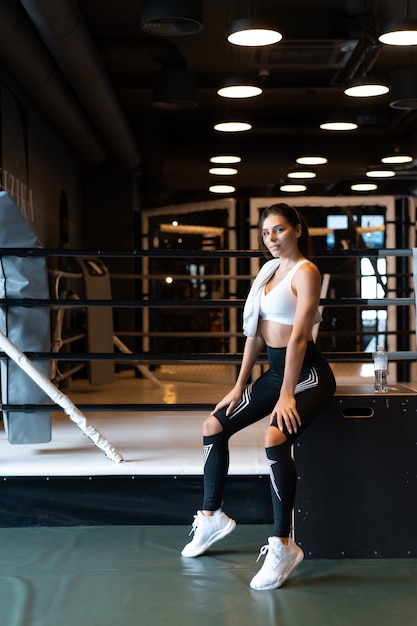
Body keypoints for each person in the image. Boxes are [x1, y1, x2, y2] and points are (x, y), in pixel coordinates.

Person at [181, 203, 336, 591]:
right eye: (267, 233)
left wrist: (286, 395)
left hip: (308, 375)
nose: (272, 239)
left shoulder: (307, 272)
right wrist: (239, 385)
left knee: (273, 437)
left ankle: (284, 545)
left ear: (298, 230)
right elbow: (255, 331)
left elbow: (299, 337)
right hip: (275, 372)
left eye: (280, 230)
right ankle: (212, 515)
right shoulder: (268, 272)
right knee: (213, 424)